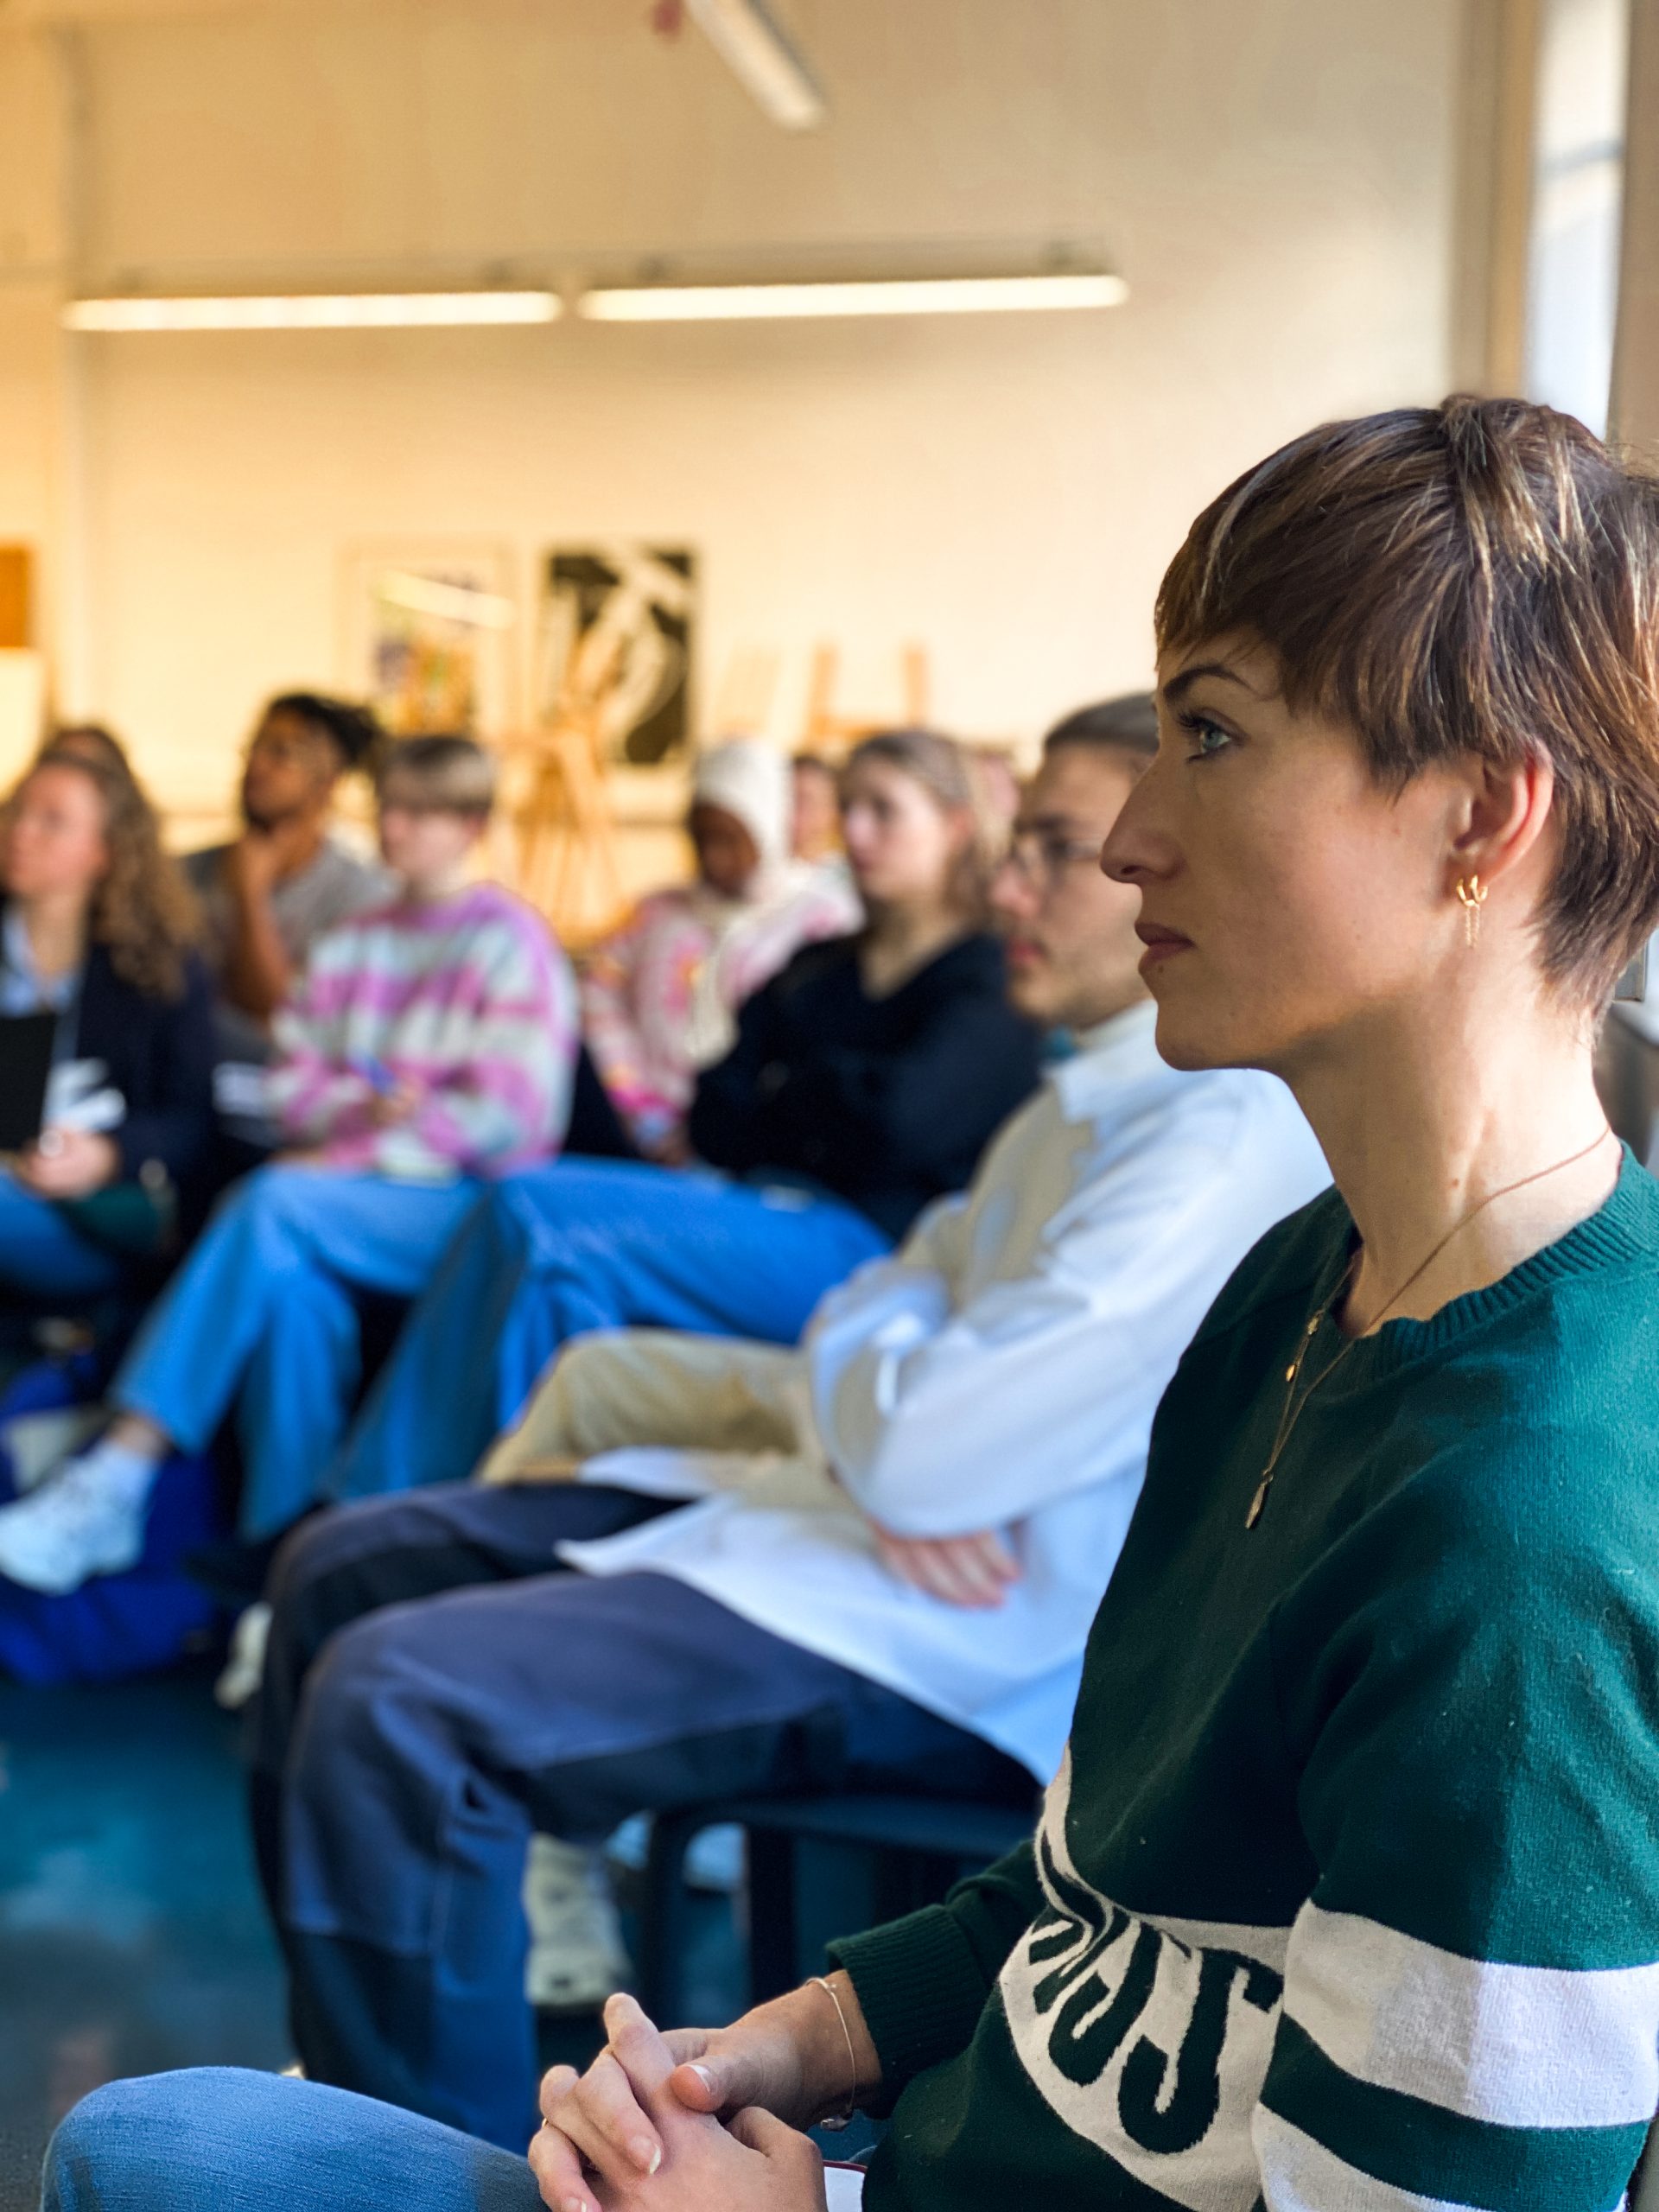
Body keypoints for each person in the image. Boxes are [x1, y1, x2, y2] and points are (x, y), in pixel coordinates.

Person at [52, 396, 1659, 2212]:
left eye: (1211, 734)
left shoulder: (1522, 1530)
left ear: (1484, 816)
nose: (1134, 835)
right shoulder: (1304, 1281)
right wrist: (789, 2043)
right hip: (891, 2148)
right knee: (145, 2134)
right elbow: (1084, 1902)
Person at [230, 691, 1326, 2143]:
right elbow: (879, 1296)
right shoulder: (1080, 1100)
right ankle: (368, 2093)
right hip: (862, 1525)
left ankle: (430, 2162)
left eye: (1056, 848)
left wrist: (901, 1399)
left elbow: (918, 1397)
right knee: (336, 1571)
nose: (1019, 883)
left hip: (961, 1633)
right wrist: (899, 1395)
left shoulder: (1209, 1137)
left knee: (393, 1702)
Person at [325, 728, 1042, 1509]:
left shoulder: (993, 977)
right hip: (747, 1204)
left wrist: (790, 1087)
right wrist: (823, 1097)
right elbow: (714, 1113)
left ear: (956, 825)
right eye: (848, 810)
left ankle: (368, 1506)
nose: (856, 834)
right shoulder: (818, 966)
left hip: (877, 1249)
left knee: (539, 1214)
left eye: (884, 812)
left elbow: (904, 1125)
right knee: (555, 1270)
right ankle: (487, 1532)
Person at [0, 736, 578, 1594]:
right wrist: (363, 1116)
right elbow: (287, 1088)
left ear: (472, 826)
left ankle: (120, 1469)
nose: (396, 829)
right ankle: (293, 1584)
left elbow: (510, 1119)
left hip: (462, 1212)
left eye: (421, 813)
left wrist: (362, 1141)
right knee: (293, 1302)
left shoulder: (511, 941)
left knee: (276, 1202)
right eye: (387, 807)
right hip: (339, 1196)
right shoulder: (354, 942)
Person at [0, 746, 213, 1310]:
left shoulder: (156, 964)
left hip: (88, 1212)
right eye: (16, 810)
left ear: (104, 851)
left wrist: (107, 1153)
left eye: (52, 821)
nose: (21, 830)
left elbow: (193, 1122)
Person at [581, 739, 859, 1158]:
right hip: (637, 1133)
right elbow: (598, 996)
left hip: (749, 1144)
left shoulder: (821, 922)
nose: (714, 856)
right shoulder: (657, 915)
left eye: (732, 838)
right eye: (702, 838)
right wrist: (638, 1108)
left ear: (768, 826)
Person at [183, 691, 392, 1063]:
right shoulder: (184, 873)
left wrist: (250, 895)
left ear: (327, 782)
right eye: (254, 747)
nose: (255, 764)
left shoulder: (363, 895)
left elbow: (286, 1016)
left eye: (280, 753)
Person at [789, 753, 843, 867]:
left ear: (833, 812)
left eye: (805, 801)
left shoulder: (844, 877)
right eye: (788, 797)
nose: (791, 809)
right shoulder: (757, 870)